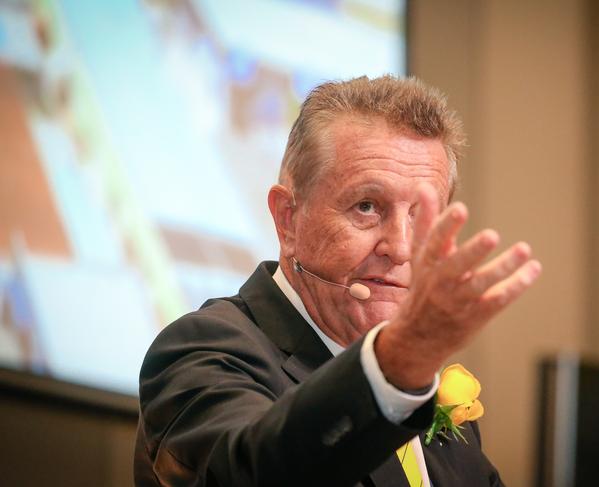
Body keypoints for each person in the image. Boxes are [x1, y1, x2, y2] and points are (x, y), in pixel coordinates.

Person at [134, 75, 541, 486]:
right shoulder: (202, 351)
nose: (399, 248)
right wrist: (396, 366)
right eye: (367, 206)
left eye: (419, 216)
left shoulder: (440, 414)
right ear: (287, 219)